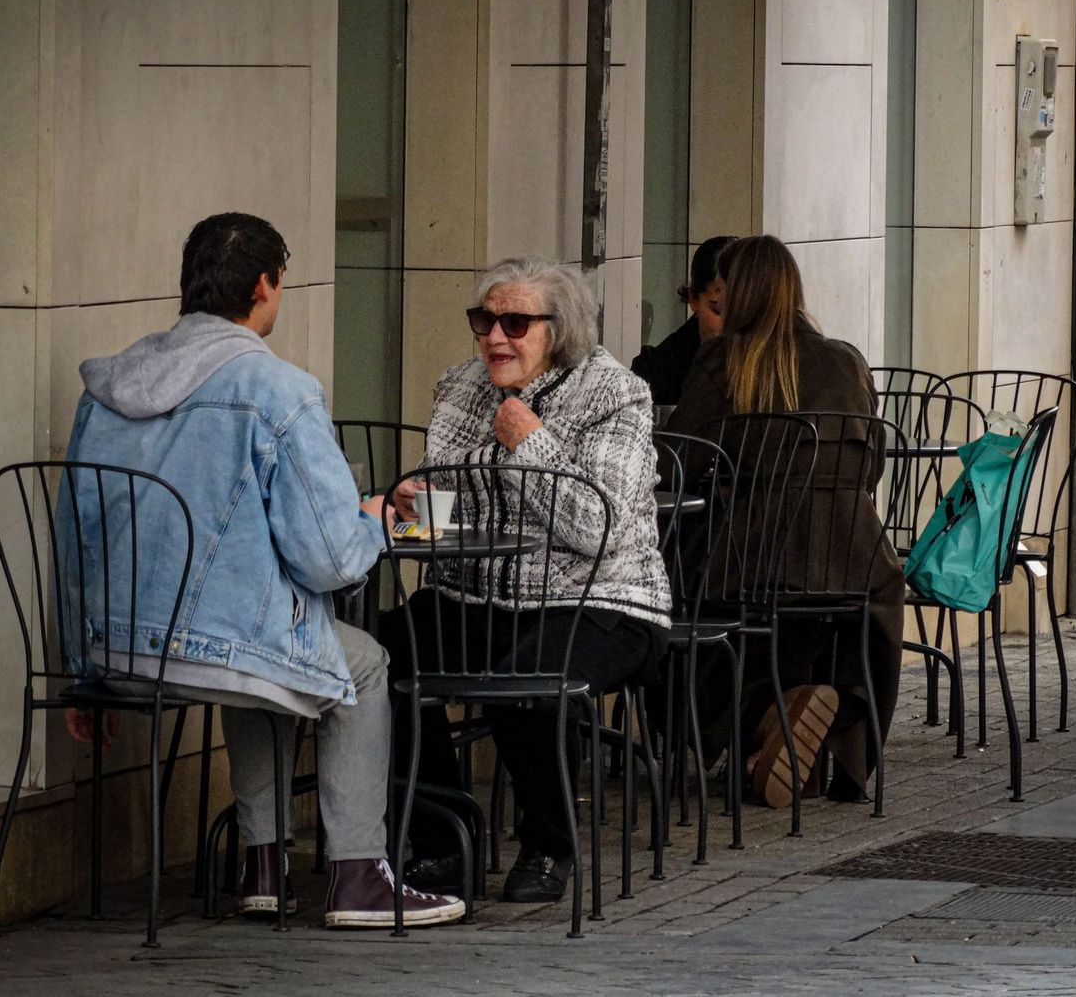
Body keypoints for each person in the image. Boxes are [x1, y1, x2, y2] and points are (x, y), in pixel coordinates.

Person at [60, 212, 463, 929]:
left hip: (115, 652)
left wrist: (77, 666)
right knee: (359, 661)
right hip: (221, 651)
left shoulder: (108, 387)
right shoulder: (279, 389)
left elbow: (78, 537)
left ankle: (263, 865)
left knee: (267, 650)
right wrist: (375, 516)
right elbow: (331, 559)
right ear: (264, 286)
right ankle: (359, 876)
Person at [376, 257, 672, 903]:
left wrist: (529, 442)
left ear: (558, 329)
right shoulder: (461, 386)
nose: (493, 337)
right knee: (377, 661)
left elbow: (599, 527)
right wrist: (410, 497)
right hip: (476, 593)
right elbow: (450, 499)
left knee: (529, 682)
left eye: (514, 322)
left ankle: (549, 843)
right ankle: (443, 839)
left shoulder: (615, 392)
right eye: (484, 320)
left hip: (601, 597)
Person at [663, 234, 904, 808]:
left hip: (746, 558)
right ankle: (833, 733)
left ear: (738, 293)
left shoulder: (726, 361)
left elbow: (678, 462)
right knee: (843, 615)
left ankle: (761, 724)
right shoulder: (845, 359)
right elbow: (871, 465)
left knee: (667, 599)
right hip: (854, 559)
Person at [630, 235, 736, 405]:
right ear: (693, 300)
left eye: (741, 309)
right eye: (718, 310)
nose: (732, 322)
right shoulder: (660, 370)